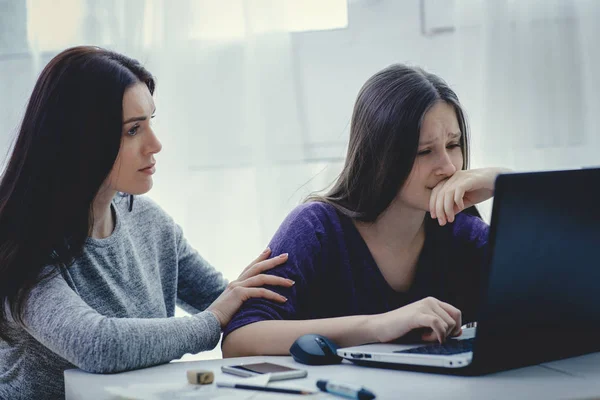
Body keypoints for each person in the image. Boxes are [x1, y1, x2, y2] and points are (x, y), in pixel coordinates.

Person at [0, 46, 293, 400]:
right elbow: (97, 346)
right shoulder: (21, 243)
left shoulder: (150, 223)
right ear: (81, 140)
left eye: (150, 122)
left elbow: (233, 304)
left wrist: (359, 323)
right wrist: (212, 321)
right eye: (132, 131)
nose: (155, 144)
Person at [222, 64, 509, 357]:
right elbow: (239, 340)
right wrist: (378, 326)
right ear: (380, 157)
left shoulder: (460, 230)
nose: (448, 166)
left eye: (453, 144)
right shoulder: (316, 228)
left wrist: (505, 183)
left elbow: (551, 298)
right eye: (425, 151)